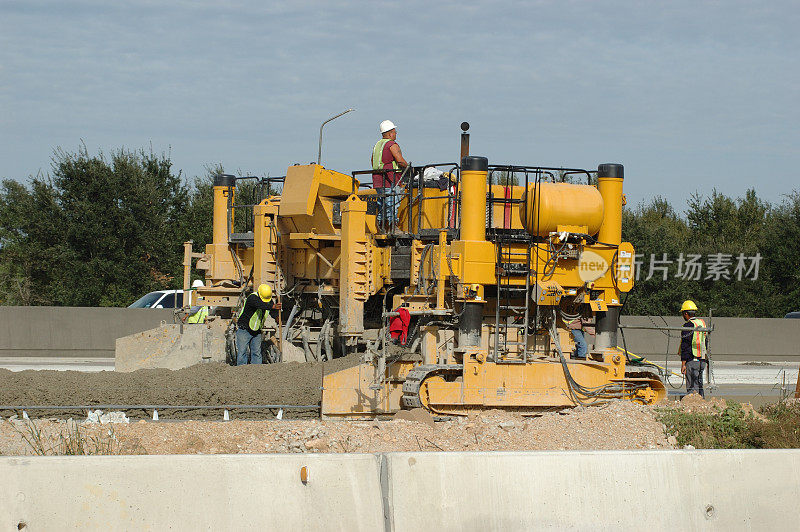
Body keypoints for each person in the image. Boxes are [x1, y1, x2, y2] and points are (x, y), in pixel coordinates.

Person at [371, 120, 408, 226]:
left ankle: (380, 227)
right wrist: (409, 167)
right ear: (390, 133)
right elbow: (400, 160)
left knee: (381, 204)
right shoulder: (392, 144)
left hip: (378, 180)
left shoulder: (377, 145)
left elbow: (373, 161)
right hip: (390, 179)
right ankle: (392, 227)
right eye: (395, 131)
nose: (396, 134)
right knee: (392, 204)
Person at [235, 284, 278, 365]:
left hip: (256, 331)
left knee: (256, 353)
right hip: (244, 329)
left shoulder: (267, 300)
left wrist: (277, 317)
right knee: (242, 352)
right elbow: (260, 305)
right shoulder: (252, 298)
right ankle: (241, 371)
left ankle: (256, 371)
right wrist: (273, 306)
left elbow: (271, 309)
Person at [679, 299, 709, 397]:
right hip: (702, 360)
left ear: (686, 313)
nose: (683, 316)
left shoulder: (688, 326)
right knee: (699, 385)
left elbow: (685, 346)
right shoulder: (701, 323)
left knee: (692, 389)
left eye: (683, 313)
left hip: (692, 360)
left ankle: (694, 407)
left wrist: (683, 364)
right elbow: (706, 341)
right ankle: (702, 404)